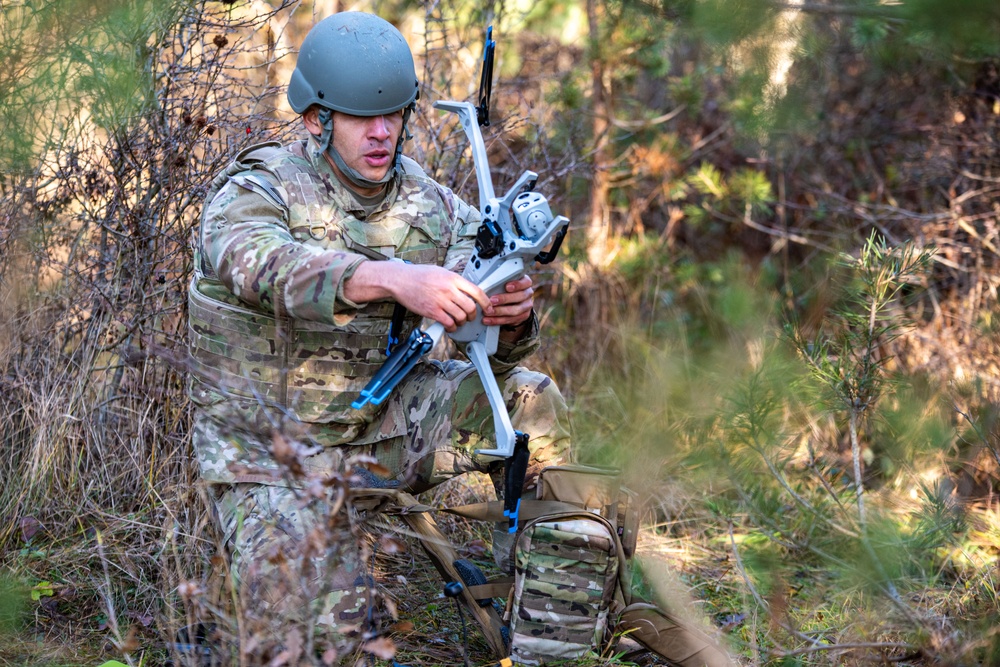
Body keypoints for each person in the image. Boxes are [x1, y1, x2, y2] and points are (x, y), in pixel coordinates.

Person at [186, 11, 570, 662]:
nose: (383, 132)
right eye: (363, 117)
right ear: (316, 118)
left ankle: (551, 622)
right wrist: (389, 277)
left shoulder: (428, 201)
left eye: (394, 114)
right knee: (318, 637)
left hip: (383, 428)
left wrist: (509, 314)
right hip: (269, 454)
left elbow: (501, 348)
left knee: (533, 401)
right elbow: (262, 265)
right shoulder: (256, 190)